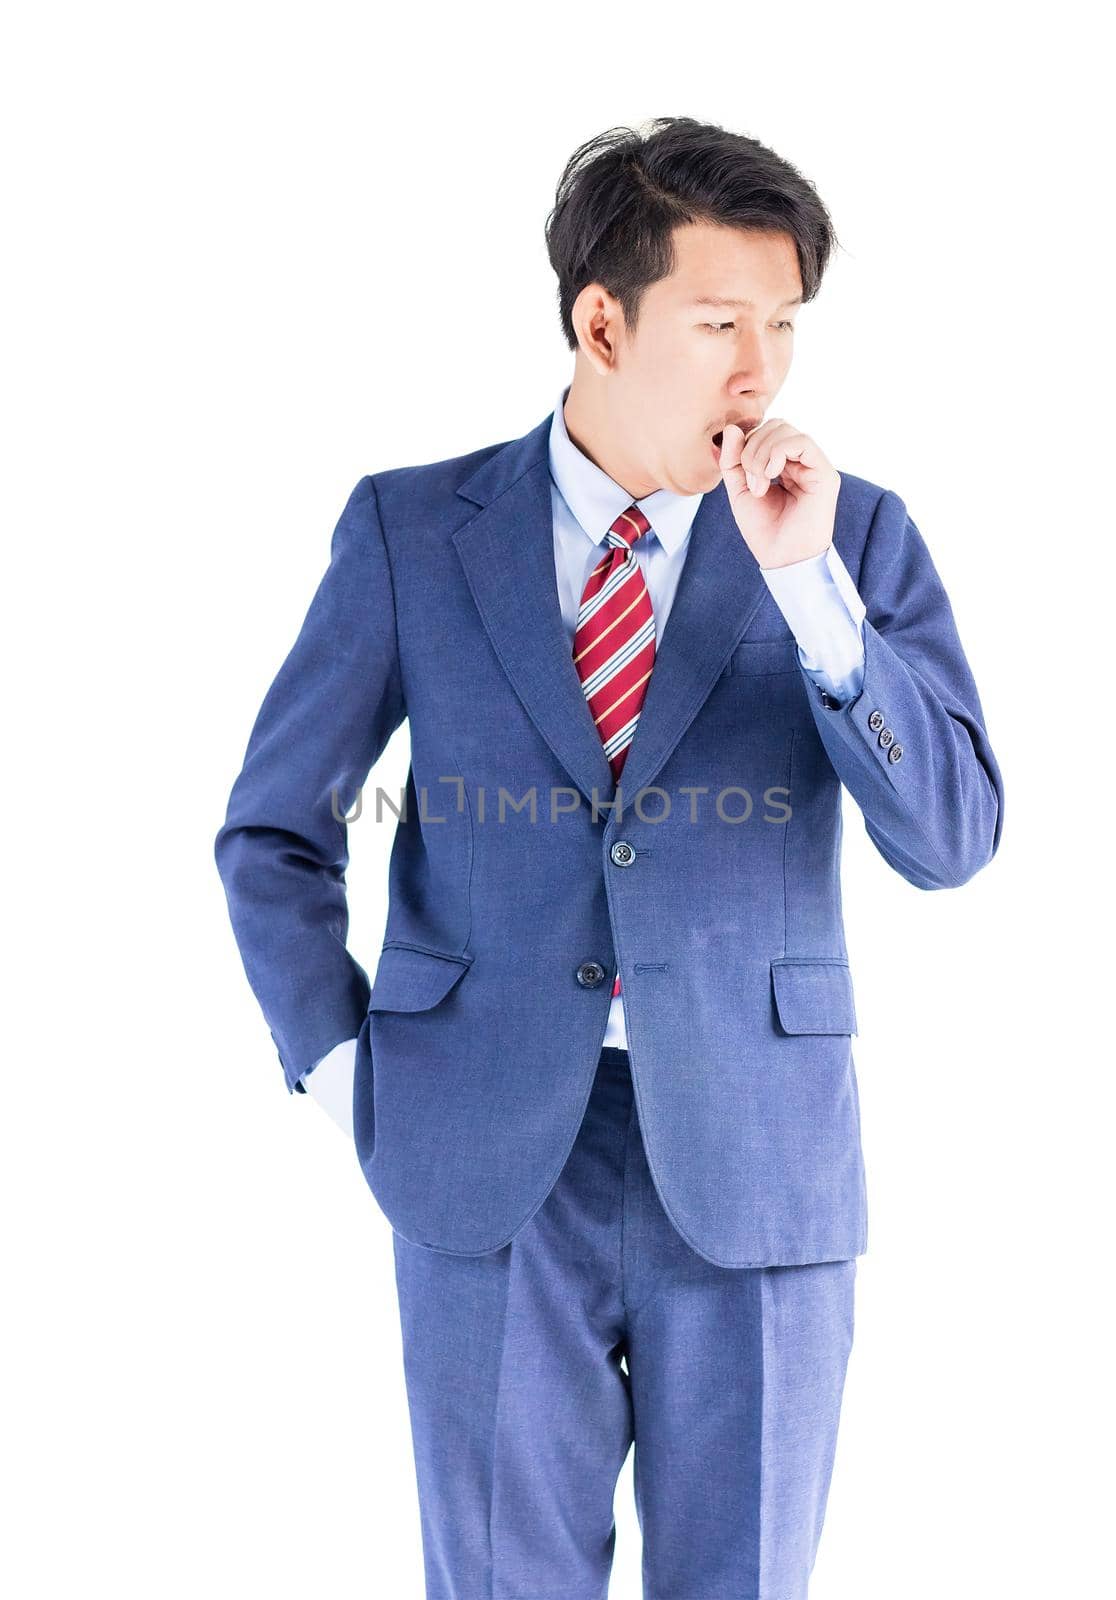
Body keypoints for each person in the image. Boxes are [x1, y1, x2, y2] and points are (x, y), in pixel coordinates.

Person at [215, 115, 1004, 1599]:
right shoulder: (413, 532)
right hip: (488, 1157)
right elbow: (272, 828)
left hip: (760, 1160)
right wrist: (346, 1076)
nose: (759, 370)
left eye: (783, 325)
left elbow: (952, 836)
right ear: (601, 320)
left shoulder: (852, 538)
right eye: (719, 323)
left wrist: (812, 594)